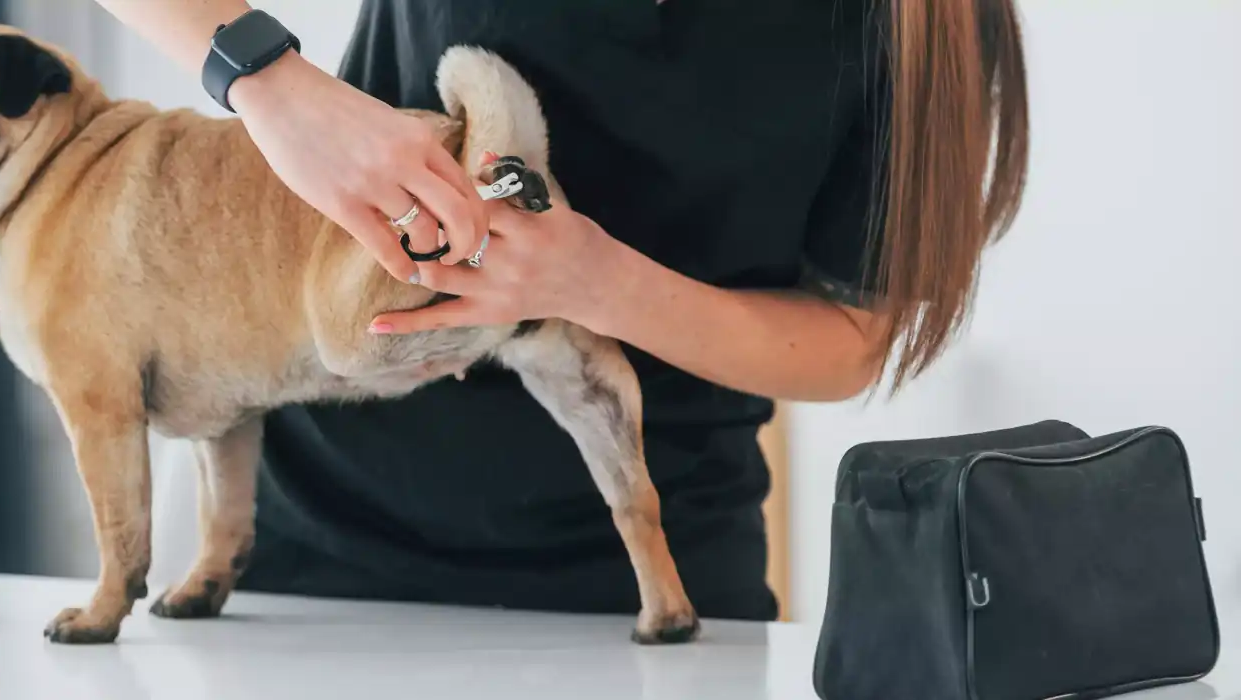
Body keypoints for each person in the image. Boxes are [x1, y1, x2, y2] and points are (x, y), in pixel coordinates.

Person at [90, 0, 1029, 622]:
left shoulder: (913, 25)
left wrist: (599, 283)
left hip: (646, 586)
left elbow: (853, 340)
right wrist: (269, 82)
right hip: (316, 553)